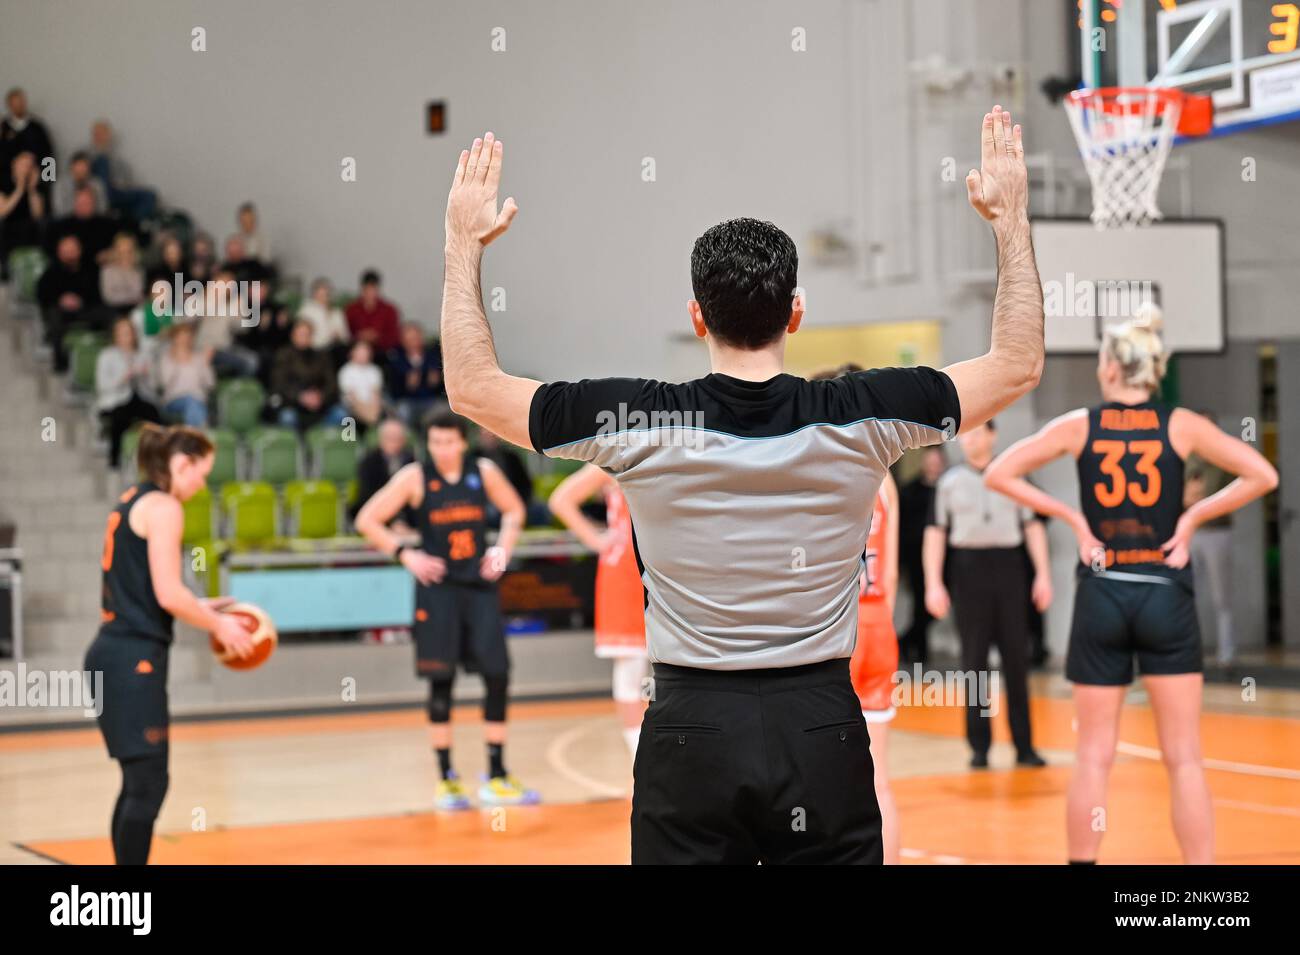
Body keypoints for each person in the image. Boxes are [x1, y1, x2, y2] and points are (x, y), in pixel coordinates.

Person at [436, 110, 1043, 863]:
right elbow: (1017, 362)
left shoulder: (637, 417)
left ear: (697, 317)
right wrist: (1011, 218)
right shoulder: (866, 413)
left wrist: (463, 243)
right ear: (797, 312)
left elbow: (469, 386)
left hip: (692, 729)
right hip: (821, 723)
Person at [984, 306, 1277, 864]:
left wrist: (1073, 519)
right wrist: (1190, 518)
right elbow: (1262, 474)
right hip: (1164, 589)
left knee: (1093, 755)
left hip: (1103, 589)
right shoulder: (1181, 424)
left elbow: (1000, 472)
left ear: (1114, 370)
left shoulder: (1079, 425)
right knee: (1184, 758)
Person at [84, 424, 254, 864]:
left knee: (138, 782)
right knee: (149, 783)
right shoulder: (164, 507)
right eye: (201, 473)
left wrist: (198, 605)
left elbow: (145, 588)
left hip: (113, 653)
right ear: (181, 464)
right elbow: (166, 593)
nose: (201, 485)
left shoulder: (131, 500)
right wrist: (217, 624)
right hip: (131, 657)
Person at [355, 411, 536, 810]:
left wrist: (503, 549)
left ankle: (497, 774)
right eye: (435, 443)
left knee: (497, 675)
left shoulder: (483, 471)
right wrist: (406, 554)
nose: (443, 450)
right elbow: (366, 519)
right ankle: (446, 778)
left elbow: (514, 511)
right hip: (437, 592)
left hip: (479, 587)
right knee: (442, 682)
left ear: (463, 442)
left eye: (449, 442)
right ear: (428, 444)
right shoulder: (414, 477)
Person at [811, 362, 904, 863]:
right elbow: (888, 572)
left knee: (816, 783)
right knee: (878, 781)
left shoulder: (818, 474)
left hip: (833, 634)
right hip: (879, 624)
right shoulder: (884, 477)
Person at [923, 419, 1051, 769]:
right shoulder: (948, 483)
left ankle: (1024, 746)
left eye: (978, 432)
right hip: (968, 569)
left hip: (1009, 567)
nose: (970, 440)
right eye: (965, 435)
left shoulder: (1014, 475)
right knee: (974, 661)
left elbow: (1033, 525)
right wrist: (933, 581)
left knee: (1016, 659)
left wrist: (1043, 575)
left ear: (993, 434)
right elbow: (935, 532)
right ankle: (979, 746)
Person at [548, 464, 648, 757]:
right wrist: (597, 540)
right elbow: (561, 500)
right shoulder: (615, 452)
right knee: (632, 664)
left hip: (670, 569)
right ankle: (639, 755)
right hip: (626, 572)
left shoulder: (680, 447)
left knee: (675, 665)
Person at [1184, 430, 1236, 666]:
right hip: (1191, 532)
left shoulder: (1223, 462)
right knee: (1187, 593)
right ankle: (1188, 650)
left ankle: (1227, 653)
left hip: (1217, 531)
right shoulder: (1186, 462)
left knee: (1221, 596)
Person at [897, 446, 945, 665]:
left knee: (934, 608)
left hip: (944, 559)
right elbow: (901, 530)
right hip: (915, 558)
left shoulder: (946, 490)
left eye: (938, 462)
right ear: (924, 463)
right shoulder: (909, 492)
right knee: (920, 605)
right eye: (931, 461)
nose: (934, 466)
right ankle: (920, 652)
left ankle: (906, 641)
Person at [36, 233, 108, 372]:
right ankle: (60, 361)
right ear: (59, 252)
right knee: (54, 317)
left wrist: (81, 300)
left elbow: (97, 293)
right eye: (66, 251)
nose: (70, 254)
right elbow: (42, 295)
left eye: (72, 250)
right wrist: (60, 299)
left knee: (108, 314)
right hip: (61, 312)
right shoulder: (50, 272)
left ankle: (106, 354)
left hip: (86, 308)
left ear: (79, 250)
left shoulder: (90, 269)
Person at [95, 317, 160, 467]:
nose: (125, 337)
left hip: (139, 398)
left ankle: (156, 459)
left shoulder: (142, 355)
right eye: (121, 333)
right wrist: (123, 377)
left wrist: (146, 374)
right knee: (120, 418)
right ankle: (114, 459)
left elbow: (155, 386)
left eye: (128, 333)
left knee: (155, 416)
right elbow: (102, 386)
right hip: (116, 400)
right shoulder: (107, 356)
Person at [271, 319, 342, 430]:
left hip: (320, 405)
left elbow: (331, 382)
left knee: (341, 414)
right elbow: (279, 384)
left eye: (307, 335)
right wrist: (301, 397)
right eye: (300, 334)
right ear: (293, 336)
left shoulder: (322, 356)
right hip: (293, 404)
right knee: (287, 417)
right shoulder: (283, 355)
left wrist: (320, 396)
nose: (303, 338)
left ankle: (323, 443)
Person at [86, 120, 157, 223]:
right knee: (102, 161)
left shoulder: (118, 161)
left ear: (109, 137)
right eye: (97, 134)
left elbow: (126, 183)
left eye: (103, 134)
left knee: (149, 196)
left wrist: (120, 186)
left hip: (116, 193)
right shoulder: (85, 156)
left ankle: (131, 226)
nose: (100, 137)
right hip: (95, 193)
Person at [352, 417, 415, 521]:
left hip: (407, 518)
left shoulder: (411, 461)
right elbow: (368, 496)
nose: (394, 442)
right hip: (378, 516)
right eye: (390, 438)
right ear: (381, 439)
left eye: (398, 438)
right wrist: (392, 522)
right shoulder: (369, 462)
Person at [0, 88, 55, 202]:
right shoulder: (3, 128)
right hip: (9, 186)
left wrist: (47, 181)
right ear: (9, 105)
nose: (19, 106)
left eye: (21, 102)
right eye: (15, 104)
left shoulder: (37, 127)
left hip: (36, 182)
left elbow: (48, 155)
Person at [156, 323, 214, 427]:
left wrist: (206, 365)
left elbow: (210, 384)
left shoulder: (199, 358)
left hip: (198, 400)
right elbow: (164, 384)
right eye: (181, 337)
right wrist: (176, 362)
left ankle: (192, 434)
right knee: (191, 401)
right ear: (174, 339)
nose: (184, 341)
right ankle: (201, 434)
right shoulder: (166, 359)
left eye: (188, 337)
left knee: (194, 403)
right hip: (173, 400)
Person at [388, 322, 444, 423]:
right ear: (403, 341)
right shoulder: (396, 360)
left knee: (442, 410)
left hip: (431, 399)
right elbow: (394, 392)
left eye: (416, 338)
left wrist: (436, 383)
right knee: (402, 411)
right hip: (408, 401)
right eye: (410, 339)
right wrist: (408, 386)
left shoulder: (433, 357)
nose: (414, 343)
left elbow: (442, 390)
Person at [0, 151, 44, 272]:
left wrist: (31, 189)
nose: (26, 169)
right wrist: (19, 188)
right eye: (23, 165)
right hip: (8, 231)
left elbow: (38, 215)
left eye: (29, 166)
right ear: (14, 164)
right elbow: (3, 212)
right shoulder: (4, 182)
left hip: (30, 231)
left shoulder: (35, 186)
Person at [345, 269, 401, 354]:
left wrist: (377, 338)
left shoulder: (389, 310)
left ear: (378, 289)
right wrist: (359, 336)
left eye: (373, 289)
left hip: (381, 352)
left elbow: (394, 337)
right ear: (362, 289)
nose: (370, 293)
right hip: (357, 352)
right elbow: (345, 333)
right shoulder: (352, 309)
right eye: (367, 289)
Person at [337, 339, 386, 430]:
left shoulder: (375, 370)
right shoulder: (346, 371)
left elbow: (376, 394)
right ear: (352, 353)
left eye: (366, 351)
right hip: (353, 408)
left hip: (372, 407)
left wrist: (374, 412)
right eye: (360, 351)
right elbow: (352, 398)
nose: (364, 354)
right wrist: (368, 416)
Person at [297, 277, 350, 353]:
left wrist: (338, 336)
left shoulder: (337, 312)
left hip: (334, 348)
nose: (323, 298)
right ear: (314, 295)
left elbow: (345, 336)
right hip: (313, 349)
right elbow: (301, 334)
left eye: (326, 294)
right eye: (320, 294)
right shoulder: (306, 310)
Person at [52, 151, 108, 216]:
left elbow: (103, 208)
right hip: (68, 221)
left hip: (93, 220)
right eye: (79, 167)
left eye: (84, 167)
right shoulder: (61, 185)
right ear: (71, 167)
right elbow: (58, 209)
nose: (82, 170)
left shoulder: (97, 184)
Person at [100, 232, 145, 312]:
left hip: (135, 311)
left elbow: (138, 294)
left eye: (128, 251)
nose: (125, 256)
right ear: (115, 251)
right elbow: (109, 297)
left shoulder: (138, 270)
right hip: (113, 311)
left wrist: (128, 270)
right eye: (121, 252)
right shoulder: (107, 270)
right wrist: (130, 298)